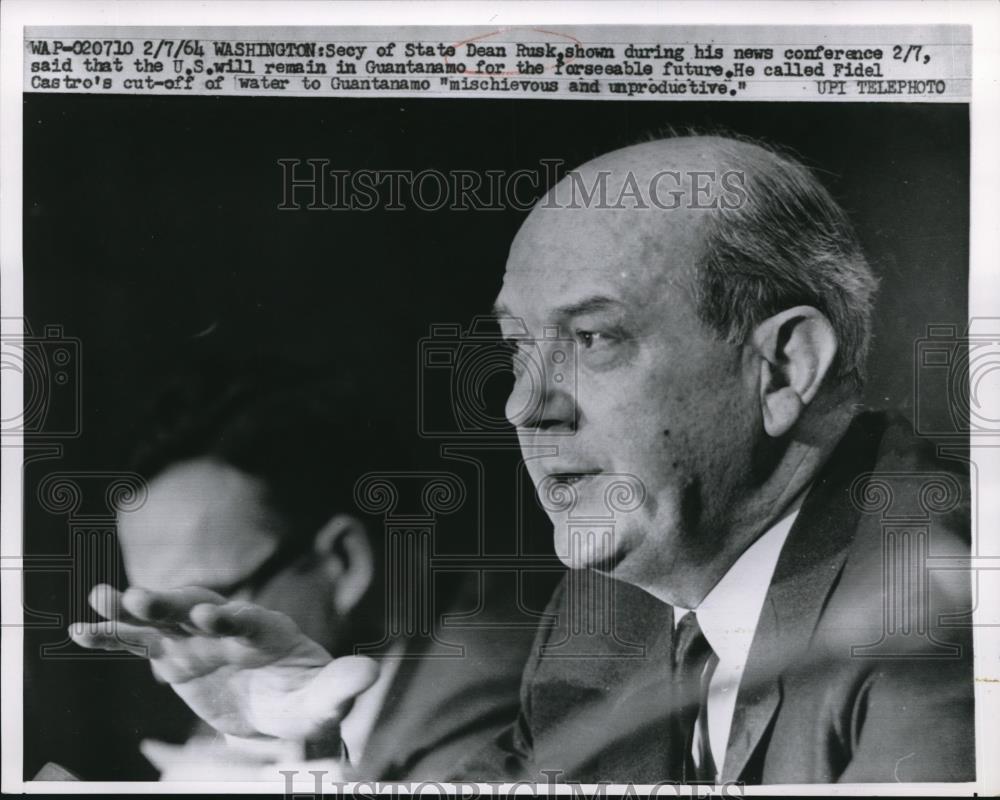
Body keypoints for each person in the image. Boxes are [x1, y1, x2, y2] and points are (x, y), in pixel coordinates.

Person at [72, 134, 975, 784]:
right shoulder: (610, 610)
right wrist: (307, 731)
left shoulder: (937, 611)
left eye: (593, 338)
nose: (522, 405)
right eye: (516, 350)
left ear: (782, 368)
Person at [96, 356, 539, 780]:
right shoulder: (265, 684)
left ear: (344, 561)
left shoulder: (483, 708)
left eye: (197, 612)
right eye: (156, 619)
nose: (165, 669)